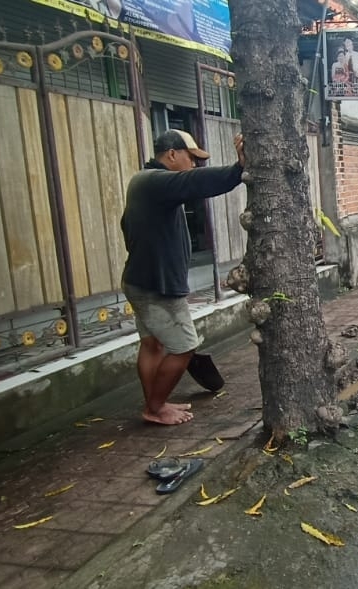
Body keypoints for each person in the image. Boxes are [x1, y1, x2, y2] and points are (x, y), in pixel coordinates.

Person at [121, 130, 245, 425]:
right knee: (184, 347)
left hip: (141, 280)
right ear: (172, 154)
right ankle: (155, 407)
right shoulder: (154, 181)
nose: (193, 165)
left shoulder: (144, 184)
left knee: (153, 344)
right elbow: (194, 183)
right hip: (156, 288)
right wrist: (238, 170)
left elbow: (127, 226)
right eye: (191, 158)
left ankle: (154, 402)